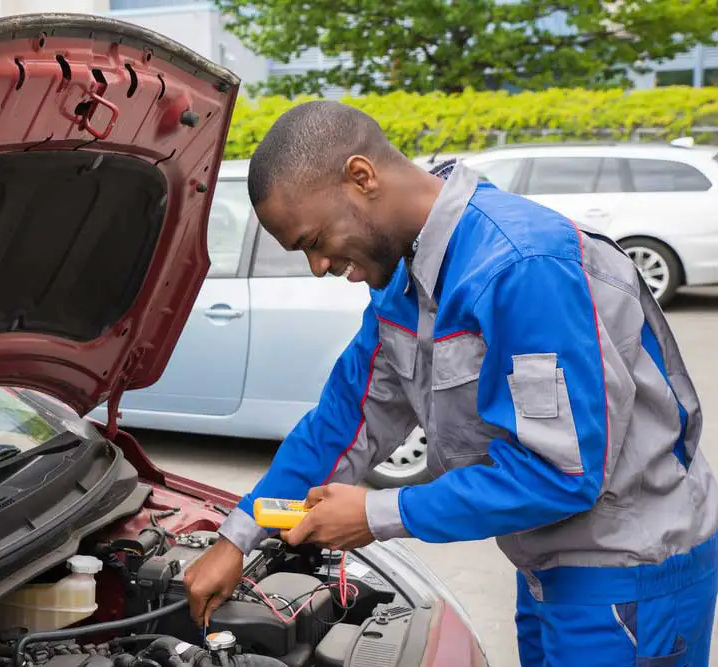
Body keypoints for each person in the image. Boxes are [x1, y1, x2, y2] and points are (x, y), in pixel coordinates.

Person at [182, 100, 718, 667]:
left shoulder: (521, 267)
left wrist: (375, 514)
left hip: (628, 578)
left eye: (313, 239)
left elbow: (562, 475)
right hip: (549, 567)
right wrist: (236, 536)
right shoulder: (403, 283)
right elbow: (342, 424)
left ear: (361, 177)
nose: (317, 266)